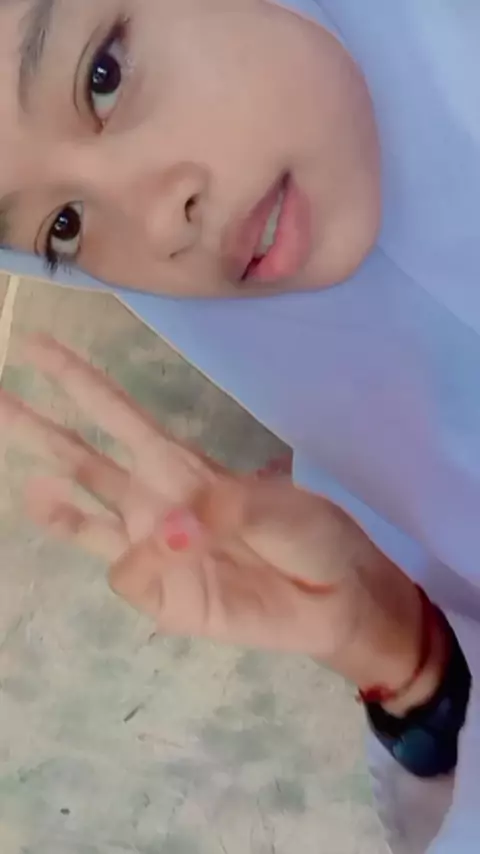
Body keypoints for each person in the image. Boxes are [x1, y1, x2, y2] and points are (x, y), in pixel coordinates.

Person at [0, 1, 479, 851]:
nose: (159, 225)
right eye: (64, 226)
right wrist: (405, 661)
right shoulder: (360, 465)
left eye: (103, 76)